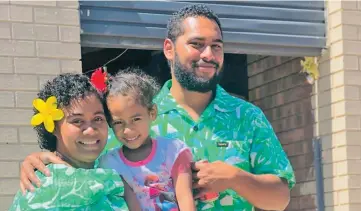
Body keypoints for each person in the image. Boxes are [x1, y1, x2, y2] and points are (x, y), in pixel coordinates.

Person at [17, 4, 295, 211]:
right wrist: (43, 159)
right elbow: (86, 153)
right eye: (197, 44)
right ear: (169, 49)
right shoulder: (130, 116)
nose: (208, 55)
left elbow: (281, 198)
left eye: (216, 46)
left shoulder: (247, 117)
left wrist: (235, 177)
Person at [9, 73, 131, 210]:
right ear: (53, 127)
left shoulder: (110, 163)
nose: (90, 130)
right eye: (77, 121)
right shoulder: (47, 187)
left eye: (98, 119)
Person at [98, 69, 195, 210]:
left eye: (136, 119)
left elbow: (186, 198)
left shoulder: (173, 151)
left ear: (152, 113)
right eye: (118, 122)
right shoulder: (110, 163)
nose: (128, 130)